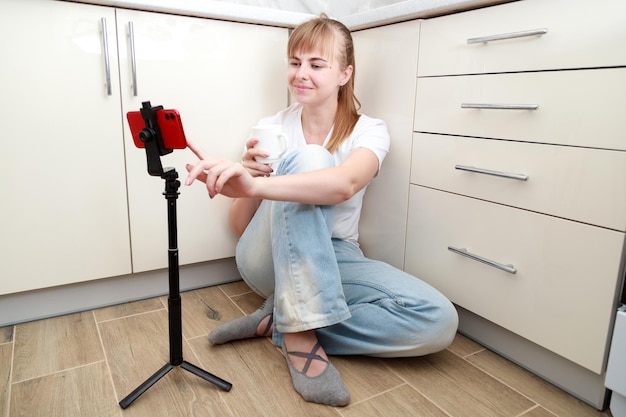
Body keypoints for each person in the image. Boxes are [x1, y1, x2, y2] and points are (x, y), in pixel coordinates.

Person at [185, 15, 458, 407]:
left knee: (437, 321)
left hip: (337, 254)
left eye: (317, 64)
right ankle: (299, 339)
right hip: (270, 260)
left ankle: (281, 319)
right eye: (295, 62)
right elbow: (242, 227)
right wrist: (249, 176)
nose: (301, 74)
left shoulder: (370, 131)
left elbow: (344, 184)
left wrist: (261, 184)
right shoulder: (270, 128)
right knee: (311, 157)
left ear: (345, 74)